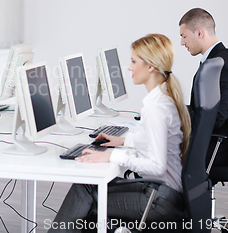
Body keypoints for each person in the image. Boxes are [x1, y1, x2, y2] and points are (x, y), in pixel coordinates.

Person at [48, 34, 191, 233]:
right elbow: (155, 142)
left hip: (159, 198)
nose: (129, 67)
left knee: (86, 189)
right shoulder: (163, 98)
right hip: (164, 193)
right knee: (88, 191)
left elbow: (157, 166)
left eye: (133, 61)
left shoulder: (156, 109)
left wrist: (112, 155)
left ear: (150, 66)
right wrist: (124, 141)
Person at [179, 8, 228, 166]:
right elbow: (205, 111)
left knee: (159, 148)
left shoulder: (220, 65)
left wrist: (177, 116)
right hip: (215, 141)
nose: (182, 42)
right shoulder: (218, 59)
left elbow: (216, 119)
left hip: (219, 147)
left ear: (200, 33)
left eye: (184, 36)